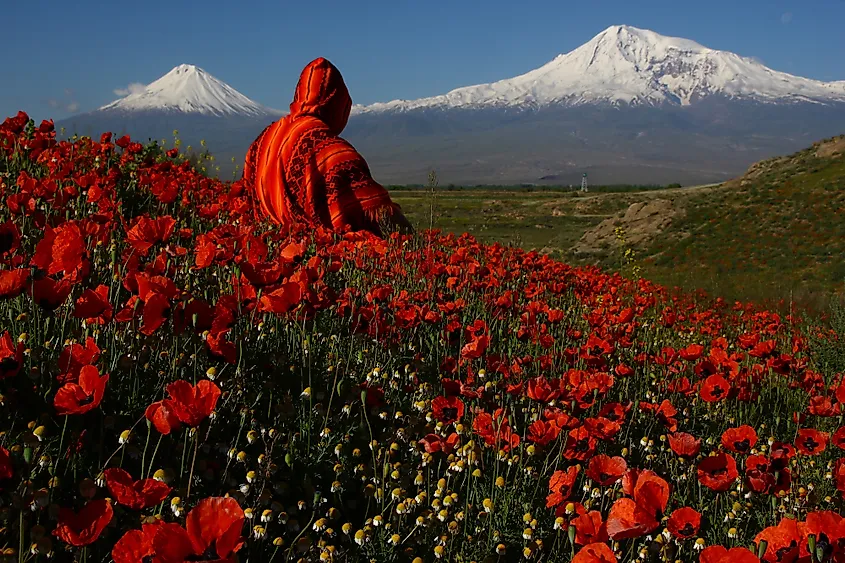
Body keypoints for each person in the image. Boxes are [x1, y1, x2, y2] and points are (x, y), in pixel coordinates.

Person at [244, 57, 413, 237]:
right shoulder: (332, 151)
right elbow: (380, 214)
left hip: (264, 252)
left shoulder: (264, 140)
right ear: (337, 103)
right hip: (316, 257)